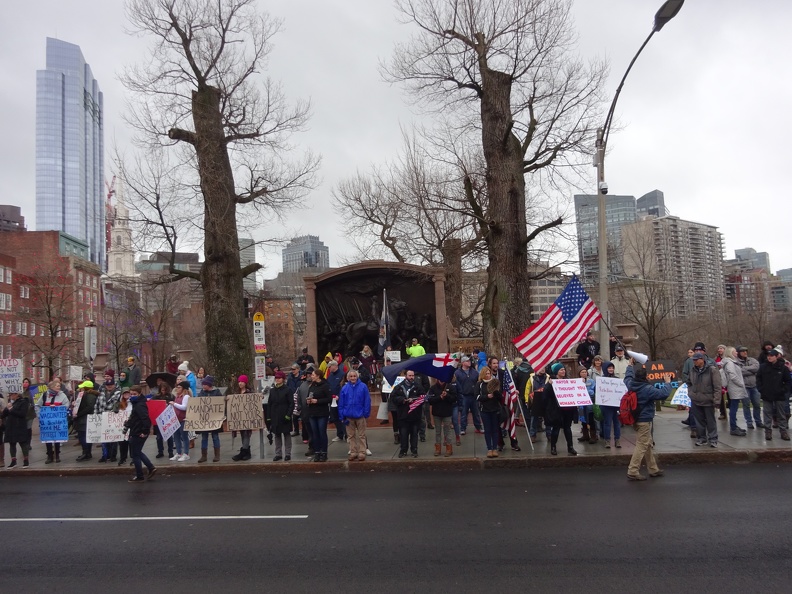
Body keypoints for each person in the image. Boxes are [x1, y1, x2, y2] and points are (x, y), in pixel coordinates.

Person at [624, 363, 673, 481]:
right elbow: (663, 394)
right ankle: (633, 470)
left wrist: (629, 367)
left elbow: (627, 378)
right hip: (644, 420)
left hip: (635, 419)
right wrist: (667, 382)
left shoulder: (631, 384)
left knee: (647, 444)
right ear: (646, 377)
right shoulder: (647, 389)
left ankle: (653, 469)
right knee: (642, 444)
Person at [757, 349, 792, 441]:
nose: (769, 357)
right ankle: (768, 431)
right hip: (767, 394)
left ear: (776, 357)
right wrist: (761, 389)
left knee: (781, 414)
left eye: (771, 356)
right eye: (768, 356)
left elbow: (788, 381)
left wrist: (784, 390)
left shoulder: (782, 367)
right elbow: (758, 379)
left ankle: (783, 431)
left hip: (779, 394)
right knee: (767, 413)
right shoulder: (763, 367)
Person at [124, 385, 156, 483]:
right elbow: (135, 417)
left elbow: (145, 419)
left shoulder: (139, 405)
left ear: (139, 394)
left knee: (135, 454)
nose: (132, 396)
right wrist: (128, 423)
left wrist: (145, 431)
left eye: (135, 394)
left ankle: (140, 475)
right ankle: (150, 468)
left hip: (138, 432)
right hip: (136, 430)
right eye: (131, 394)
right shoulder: (137, 403)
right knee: (138, 452)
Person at [543, 363, 577, 456]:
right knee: (556, 428)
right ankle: (553, 447)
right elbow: (545, 396)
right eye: (561, 370)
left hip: (567, 409)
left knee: (567, 428)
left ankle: (570, 447)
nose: (563, 371)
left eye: (563, 370)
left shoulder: (568, 381)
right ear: (556, 372)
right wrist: (549, 385)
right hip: (556, 409)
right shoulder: (551, 382)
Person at [689, 352, 722, 447]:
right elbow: (689, 382)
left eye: (696, 360)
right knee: (699, 421)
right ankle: (702, 438)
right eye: (694, 360)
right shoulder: (692, 370)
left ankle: (713, 439)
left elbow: (717, 386)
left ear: (702, 359)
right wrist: (691, 393)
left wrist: (716, 400)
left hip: (708, 400)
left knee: (710, 421)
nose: (694, 362)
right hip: (696, 399)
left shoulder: (712, 370)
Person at [338, 369, 371, 461]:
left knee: (362, 435)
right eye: (351, 376)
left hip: (360, 415)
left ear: (357, 377)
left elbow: (367, 401)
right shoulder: (344, 388)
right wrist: (342, 415)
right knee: (351, 436)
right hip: (348, 416)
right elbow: (341, 403)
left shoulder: (363, 387)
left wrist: (366, 413)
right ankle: (353, 452)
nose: (353, 378)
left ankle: (362, 452)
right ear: (348, 378)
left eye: (354, 376)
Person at [392, 370, 425, 458]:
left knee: (414, 434)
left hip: (415, 415)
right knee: (403, 435)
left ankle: (414, 450)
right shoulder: (399, 387)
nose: (411, 377)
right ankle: (403, 451)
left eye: (412, 375)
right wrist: (402, 400)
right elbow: (393, 397)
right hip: (403, 415)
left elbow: (423, 398)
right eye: (409, 375)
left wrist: (413, 399)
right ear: (405, 376)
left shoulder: (418, 386)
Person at [36, 379, 70, 463]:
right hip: (47, 422)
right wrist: (40, 415)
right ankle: (49, 456)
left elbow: (66, 405)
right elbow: (37, 406)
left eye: (59, 386)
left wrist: (58, 408)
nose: (59, 387)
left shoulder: (63, 395)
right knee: (48, 439)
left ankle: (57, 455)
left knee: (57, 438)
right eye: (57, 386)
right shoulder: (44, 395)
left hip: (58, 421)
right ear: (51, 387)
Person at [719, 347, 748, 436]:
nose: (736, 352)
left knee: (734, 407)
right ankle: (733, 427)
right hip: (734, 388)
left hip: (735, 387)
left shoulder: (730, 362)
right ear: (730, 353)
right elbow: (733, 376)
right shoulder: (730, 363)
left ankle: (734, 426)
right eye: (735, 351)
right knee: (733, 408)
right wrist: (741, 384)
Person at [267, 371, 294, 461]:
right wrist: (269, 416)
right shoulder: (272, 390)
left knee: (286, 435)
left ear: (283, 379)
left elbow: (291, 403)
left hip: (285, 415)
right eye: (276, 378)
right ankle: (278, 453)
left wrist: (288, 415)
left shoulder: (288, 390)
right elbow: (270, 404)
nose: (277, 379)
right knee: (277, 435)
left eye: (279, 378)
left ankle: (287, 453)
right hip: (275, 416)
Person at [95, 372, 122, 462]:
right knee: (104, 438)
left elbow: (121, 405)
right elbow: (97, 405)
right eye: (108, 385)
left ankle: (113, 455)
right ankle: (105, 455)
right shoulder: (101, 394)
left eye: (111, 385)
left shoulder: (118, 394)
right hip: (102, 418)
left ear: (114, 385)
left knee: (113, 438)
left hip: (113, 419)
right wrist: (95, 415)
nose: (109, 386)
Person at [306, 368, 332, 462]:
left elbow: (329, 398)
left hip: (322, 413)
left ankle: (324, 452)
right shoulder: (311, 386)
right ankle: (317, 452)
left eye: (313, 375)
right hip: (312, 413)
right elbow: (309, 395)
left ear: (318, 376)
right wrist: (308, 400)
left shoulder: (325, 386)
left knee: (322, 432)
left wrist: (318, 401)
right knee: (315, 433)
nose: (311, 376)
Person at [734, 346, 763, 429]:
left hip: (754, 386)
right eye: (742, 351)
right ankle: (749, 422)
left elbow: (757, 368)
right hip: (744, 387)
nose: (745, 352)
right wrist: (751, 371)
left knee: (757, 404)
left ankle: (758, 421)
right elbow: (739, 371)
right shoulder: (736, 362)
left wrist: (745, 368)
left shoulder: (752, 360)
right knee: (746, 405)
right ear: (738, 353)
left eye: (746, 351)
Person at [476, 366, 502, 458]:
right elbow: (477, 397)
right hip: (484, 410)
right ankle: (489, 449)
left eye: (489, 373)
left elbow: (500, 398)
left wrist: (496, 393)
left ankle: (495, 448)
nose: (488, 375)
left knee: (495, 429)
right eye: (486, 373)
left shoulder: (495, 383)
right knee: (487, 430)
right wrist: (487, 396)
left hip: (495, 409)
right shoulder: (480, 384)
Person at [454, 356, 483, 436]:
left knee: (476, 412)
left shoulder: (474, 372)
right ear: (463, 363)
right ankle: (463, 428)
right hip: (464, 396)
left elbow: (478, 382)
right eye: (467, 361)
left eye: (469, 361)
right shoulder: (457, 373)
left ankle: (478, 427)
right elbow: (456, 384)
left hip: (473, 395)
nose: (469, 362)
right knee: (463, 413)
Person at [428, 378, 457, 457]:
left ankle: (449, 448)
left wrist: (447, 395)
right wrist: (439, 397)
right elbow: (430, 400)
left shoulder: (450, 387)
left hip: (447, 412)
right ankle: (438, 448)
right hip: (437, 413)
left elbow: (454, 398)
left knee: (447, 431)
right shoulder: (433, 388)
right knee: (438, 431)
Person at [2, 390, 31, 468]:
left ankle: (26, 460)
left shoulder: (23, 402)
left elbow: (22, 414)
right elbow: (3, 415)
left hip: (19, 425)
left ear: (16, 394)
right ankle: (13, 461)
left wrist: (11, 409)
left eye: (11, 394)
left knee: (23, 443)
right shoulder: (10, 403)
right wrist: (7, 408)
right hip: (10, 426)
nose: (10, 396)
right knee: (12, 443)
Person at [197, 376, 222, 462]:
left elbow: (220, 404)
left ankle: (217, 455)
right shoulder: (201, 393)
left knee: (215, 436)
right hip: (205, 419)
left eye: (205, 384)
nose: (203, 386)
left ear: (209, 385)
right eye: (203, 384)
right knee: (204, 437)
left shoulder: (217, 393)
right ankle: (204, 456)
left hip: (214, 419)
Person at [73, 380, 99, 461]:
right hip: (84, 418)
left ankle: (86, 453)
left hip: (85, 419)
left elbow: (89, 407)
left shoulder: (90, 396)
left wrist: (79, 413)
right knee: (84, 437)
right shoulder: (85, 395)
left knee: (83, 437)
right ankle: (87, 453)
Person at [230, 374, 255, 461]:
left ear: (245, 383)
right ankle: (246, 452)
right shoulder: (236, 393)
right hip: (239, 418)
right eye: (239, 382)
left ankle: (244, 451)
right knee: (242, 434)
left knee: (246, 434)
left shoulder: (249, 393)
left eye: (242, 382)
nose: (240, 383)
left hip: (247, 417)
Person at [599, 362, 622, 449]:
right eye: (609, 368)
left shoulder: (617, 379)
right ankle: (607, 440)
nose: (611, 369)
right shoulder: (602, 380)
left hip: (616, 406)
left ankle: (617, 440)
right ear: (605, 369)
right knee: (607, 423)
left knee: (617, 423)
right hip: (606, 406)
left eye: (612, 368)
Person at [525, 365, 550, 443]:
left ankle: (549, 434)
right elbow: (527, 389)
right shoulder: (531, 378)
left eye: (544, 367)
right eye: (541, 367)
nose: (543, 369)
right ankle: (533, 435)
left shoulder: (548, 378)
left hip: (546, 400)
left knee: (548, 419)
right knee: (534, 419)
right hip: (535, 400)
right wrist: (527, 400)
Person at [151, 382, 175, 460]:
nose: (163, 391)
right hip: (159, 419)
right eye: (162, 389)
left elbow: (175, 405)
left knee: (169, 437)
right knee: (159, 437)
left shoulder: (171, 396)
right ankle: (160, 452)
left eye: (164, 389)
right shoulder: (156, 396)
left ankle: (170, 452)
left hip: (168, 419)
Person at [326, 360, 347, 444]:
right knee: (334, 417)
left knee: (342, 417)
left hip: (340, 399)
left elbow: (343, 387)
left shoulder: (342, 375)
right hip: (332, 400)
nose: (329, 368)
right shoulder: (330, 376)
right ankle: (339, 434)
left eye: (330, 367)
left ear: (335, 366)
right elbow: (328, 386)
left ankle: (347, 434)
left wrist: (339, 395)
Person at [171, 381, 192, 461]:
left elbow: (184, 407)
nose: (177, 388)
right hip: (176, 419)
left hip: (183, 419)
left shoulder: (186, 396)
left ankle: (186, 453)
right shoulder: (177, 396)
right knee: (176, 437)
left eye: (179, 387)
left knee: (184, 437)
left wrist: (174, 404)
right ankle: (178, 453)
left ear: (183, 388)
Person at [113, 388, 133, 466]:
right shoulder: (119, 403)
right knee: (122, 443)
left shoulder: (133, 402)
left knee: (131, 443)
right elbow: (114, 411)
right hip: (121, 426)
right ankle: (123, 458)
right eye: (125, 394)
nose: (126, 395)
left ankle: (133, 458)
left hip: (130, 426)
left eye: (128, 393)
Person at [286, 364, 303, 436]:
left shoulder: (302, 377)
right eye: (292, 369)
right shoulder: (290, 378)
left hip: (300, 397)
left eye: (294, 369)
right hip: (292, 397)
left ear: (298, 369)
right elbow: (287, 387)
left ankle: (305, 431)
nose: (293, 371)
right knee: (294, 415)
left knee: (302, 415)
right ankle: (296, 430)